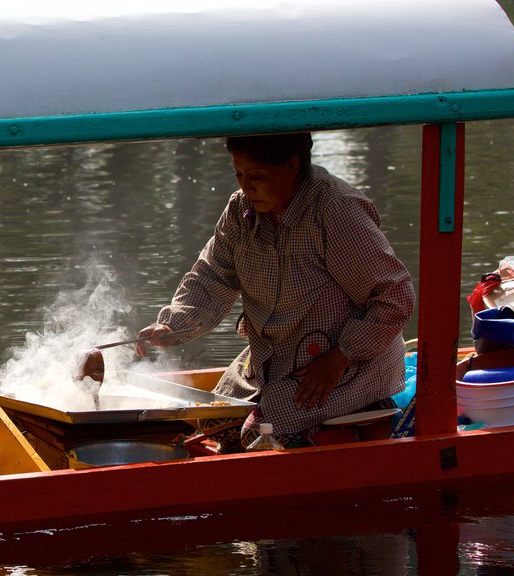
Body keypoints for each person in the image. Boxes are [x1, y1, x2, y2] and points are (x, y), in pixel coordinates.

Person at [136, 132, 414, 449]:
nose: (246, 186)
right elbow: (213, 275)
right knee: (215, 422)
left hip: (343, 363)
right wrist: (173, 324)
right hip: (274, 356)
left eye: (257, 176)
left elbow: (395, 297)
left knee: (260, 435)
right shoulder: (241, 211)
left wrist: (339, 358)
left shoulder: (335, 209)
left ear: (292, 166)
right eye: (239, 174)